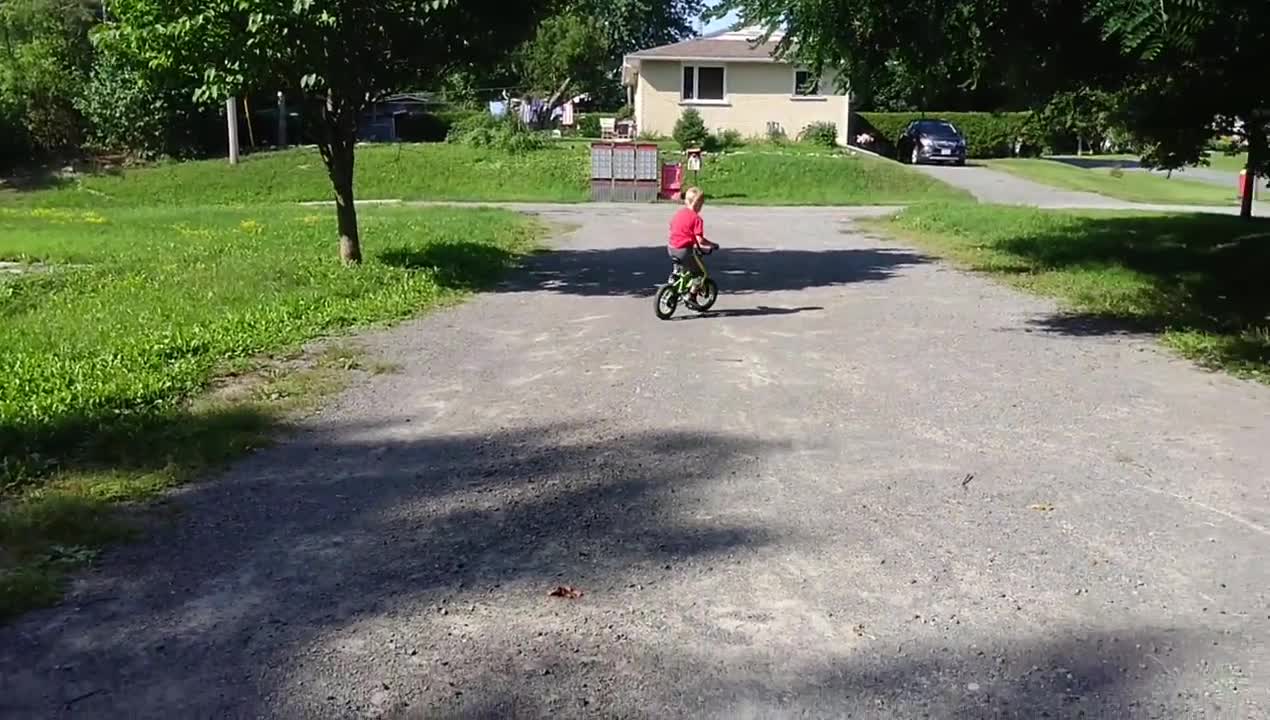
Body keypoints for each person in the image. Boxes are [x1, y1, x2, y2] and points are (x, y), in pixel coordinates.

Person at [667, 187, 718, 288]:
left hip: (671, 248)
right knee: (700, 273)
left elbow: (673, 227)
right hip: (684, 251)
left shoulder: (679, 214)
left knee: (682, 266)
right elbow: (700, 240)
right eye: (701, 204)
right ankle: (692, 296)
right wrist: (712, 245)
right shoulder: (696, 219)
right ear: (697, 203)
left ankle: (675, 276)